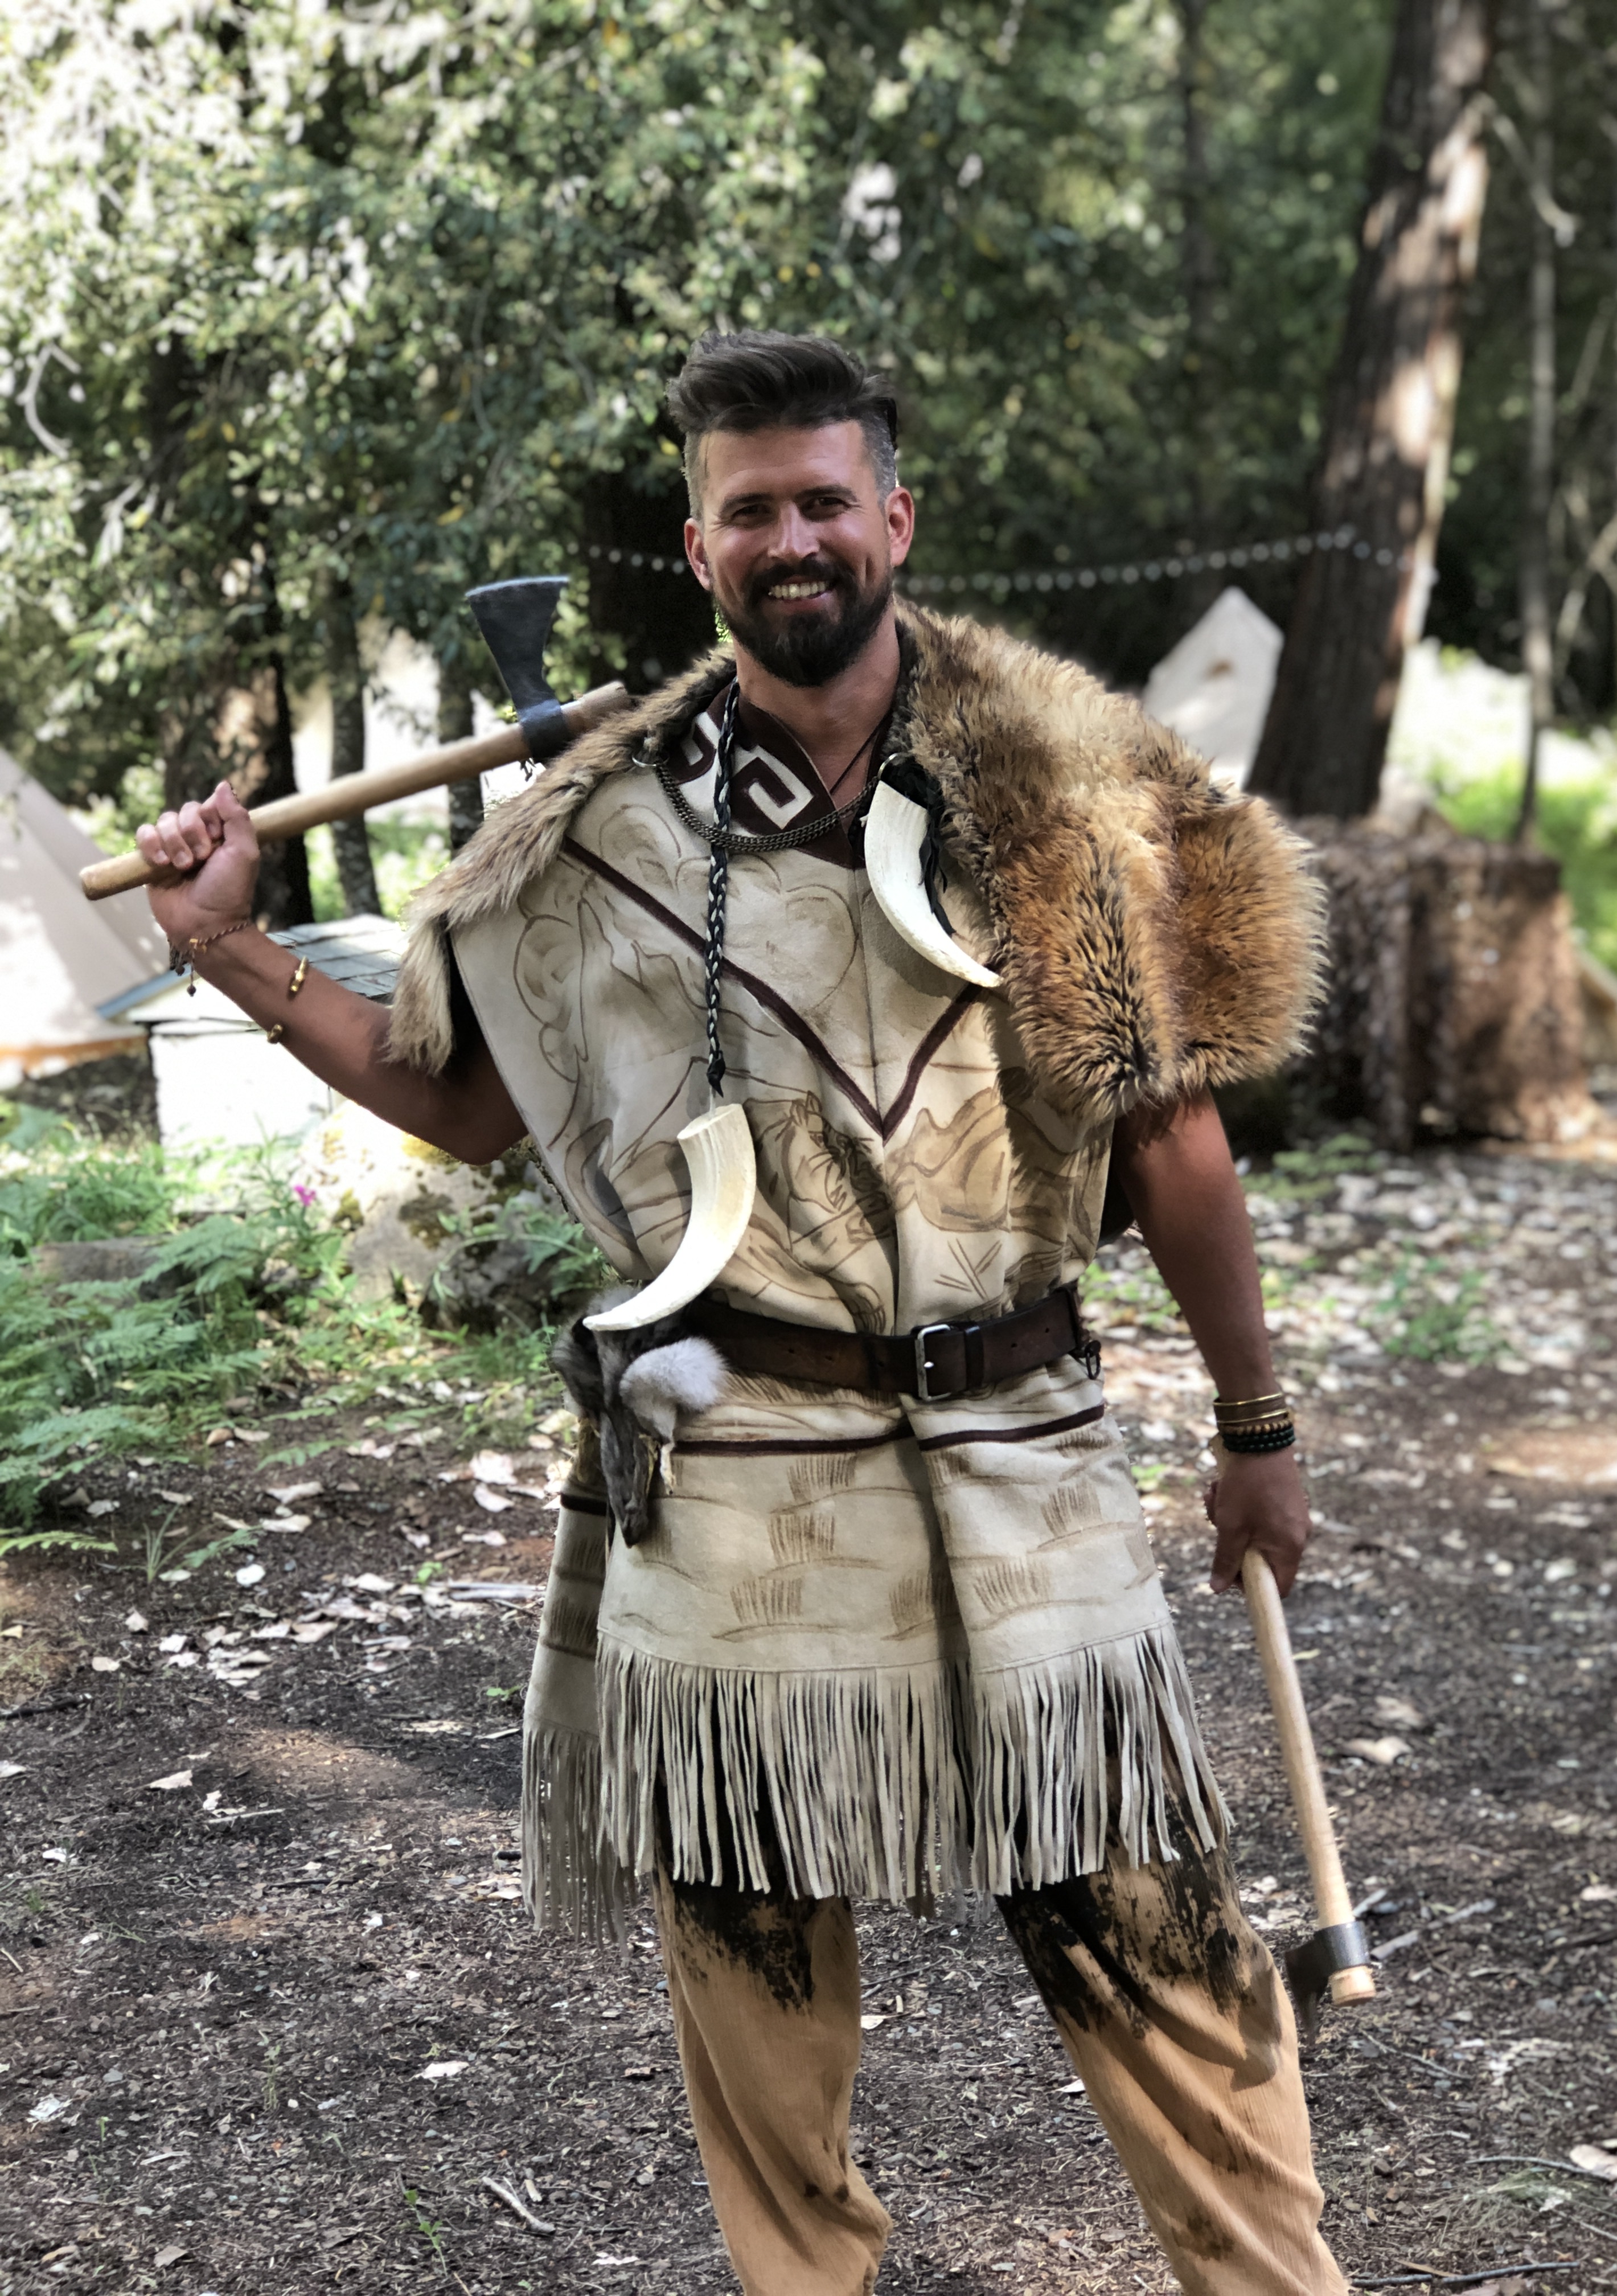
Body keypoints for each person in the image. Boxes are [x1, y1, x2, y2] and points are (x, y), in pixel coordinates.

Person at [137, 330, 1344, 2296]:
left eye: (821, 500)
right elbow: (459, 1098)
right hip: (740, 1485)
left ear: (895, 516)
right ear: (699, 549)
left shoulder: (1059, 789)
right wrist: (236, 948)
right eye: (748, 510)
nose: (792, 538)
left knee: (1171, 1965)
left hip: (1026, 1470)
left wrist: (1257, 1431)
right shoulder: (587, 838)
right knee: (760, 2004)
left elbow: (1173, 1135)